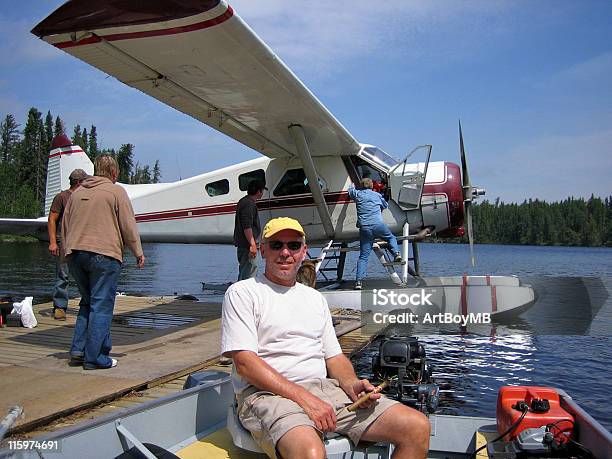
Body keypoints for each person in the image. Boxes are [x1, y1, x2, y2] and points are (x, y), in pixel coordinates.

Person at [221, 217, 430, 459]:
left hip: (324, 389)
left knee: (416, 427)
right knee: (310, 452)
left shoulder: (315, 299)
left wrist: (352, 384)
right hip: (265, 394)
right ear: (263, 250)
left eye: (294, 246)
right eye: (277, 245)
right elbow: (246, 364)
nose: (285, 252)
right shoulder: (243, 293)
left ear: (304, 251)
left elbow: (334, 357)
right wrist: (305, 399)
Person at [61, 155, 145, 370]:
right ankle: (95, 357)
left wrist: (65, 252)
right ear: (114, 172)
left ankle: (78, 350)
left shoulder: (77, 193)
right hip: (104, 255)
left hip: (75, 254)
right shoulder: (116, 192)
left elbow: (65, 224)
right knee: (101, 306)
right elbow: (128, 224)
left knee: (87, 303)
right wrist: (137, 251)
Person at [47, 168, 88, 320]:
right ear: (78, 182)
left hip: (80, 241)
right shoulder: (62, 197)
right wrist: (53, 242)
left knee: (83, 275)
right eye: (84, 181)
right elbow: (52, 219)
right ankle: (59, 306)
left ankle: (86, 304)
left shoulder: (84, 197)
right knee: (63, 275)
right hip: (63, 240)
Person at [349, 178, 402, 290]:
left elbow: (350, 191)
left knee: (363, 256)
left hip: (365, 228)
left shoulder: (357, 194)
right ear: (372, 186)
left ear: (362, 186)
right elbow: (385, 205)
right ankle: (396, 253)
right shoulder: (377, 195)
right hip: (378, 225)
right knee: (391, 237)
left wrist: (352, 184)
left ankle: (358, 282)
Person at [233, 179, 265, 281]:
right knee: (249, 274)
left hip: (244, 245)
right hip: (247, 246)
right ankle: (244, 295)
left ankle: (241, 292)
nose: (262, 193)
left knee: (245, 271)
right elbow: (247, 226)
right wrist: (253, 244)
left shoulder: (244, 201)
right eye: (262, 190)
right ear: (259, 191)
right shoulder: (249, 204)